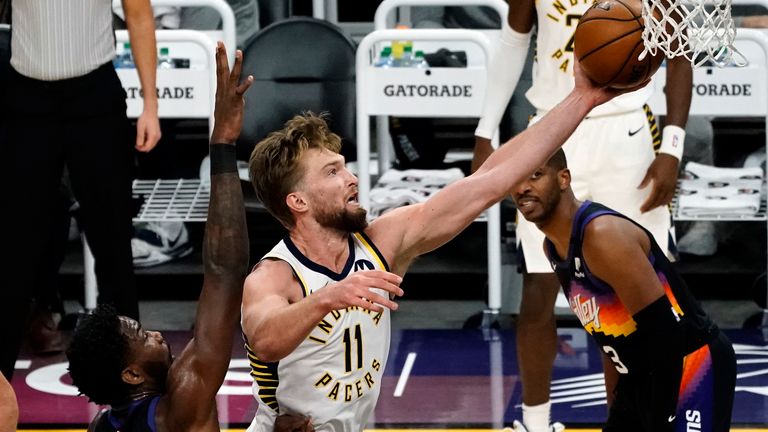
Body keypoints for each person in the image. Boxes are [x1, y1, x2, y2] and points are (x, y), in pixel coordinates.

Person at [240, 58, 649, 431]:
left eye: (345, 167)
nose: (351, 178)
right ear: (298, 202)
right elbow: (264, 339)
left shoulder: (382, 242)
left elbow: (490, 181)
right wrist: (329, 297)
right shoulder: (275, 275)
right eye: (332, 172)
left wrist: (582, 100)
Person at [470, 1, 694, 430]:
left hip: (627, 131)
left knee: (637, 295)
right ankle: (535, 423)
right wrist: (486, 129)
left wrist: (673, 147)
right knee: (537, 288)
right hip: (552, 129)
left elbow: (678, 51)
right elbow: (513, 40)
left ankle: (630, 419)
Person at [66, 42, 251, 432]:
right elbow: (225, 272)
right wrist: (223, 144)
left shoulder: (101, 426)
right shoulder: (178, 407)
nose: (154, 333)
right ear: (132, 375)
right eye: (141, 335)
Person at [511, 149, 736, 431]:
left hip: (690, 365)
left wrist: (662, 416)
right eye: (515, 180)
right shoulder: (553, 248)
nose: (522, 188)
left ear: (563, 179)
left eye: (535, 176)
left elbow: (666, 334)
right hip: (641, 374)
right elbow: (609, 337)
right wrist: (617, 409)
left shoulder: (601, 235)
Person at [2, 0, 162, 379]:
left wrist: (150, 103)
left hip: (94, 97)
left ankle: (127, 380)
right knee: (14, 247)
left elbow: (138, 13)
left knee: (112, 244)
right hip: (25, 99)